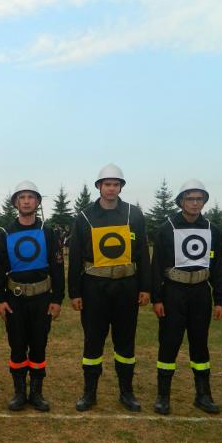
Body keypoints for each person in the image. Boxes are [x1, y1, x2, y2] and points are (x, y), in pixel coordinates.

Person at [69, 163, 151, 412]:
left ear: (121, 187)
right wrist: (75, 292)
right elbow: (75, 256)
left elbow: (143, 253)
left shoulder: (134, 214)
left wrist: (145, 287)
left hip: (127, 286)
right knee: (93, 341)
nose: (111, 189)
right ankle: (89, 393)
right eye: (107, 184)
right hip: (94, 287)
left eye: (116, 184)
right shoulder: (84, 217)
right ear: (99, 186)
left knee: (125, 342)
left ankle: (127, 392)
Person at [150, 179, 222, 415]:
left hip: (200, 293)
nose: (195, 203)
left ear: (204, 201)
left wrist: (220, 299)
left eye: (199, 199)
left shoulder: (213, 230)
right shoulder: (166, 229)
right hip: (173, 292)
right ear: (181, 201)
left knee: (200, 344)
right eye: (190, 199)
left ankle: (203, 395)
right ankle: (163, 396)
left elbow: (218, 266)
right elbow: (156, 266)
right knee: (169, 343)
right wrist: (157, 299)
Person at [0, 181, 64, 412]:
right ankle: (19, 392)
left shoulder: (48, 232)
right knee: (17, 346)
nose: (26, 201)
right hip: (15, 300)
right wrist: (0, 300)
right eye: (22, 197)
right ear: (15, 202)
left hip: (42, 299)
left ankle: (36, 392)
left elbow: (57, 268)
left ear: (37, 202)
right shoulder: (4, 233)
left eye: (30, 197)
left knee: (39, 346)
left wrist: (57, 299)